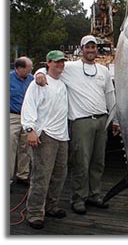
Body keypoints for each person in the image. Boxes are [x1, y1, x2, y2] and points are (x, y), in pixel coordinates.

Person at [35, 35, 119, 215]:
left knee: (98, 162)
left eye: (93, 47)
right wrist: (39, 74)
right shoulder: (70, 68)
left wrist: (115, 119)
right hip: (81, 121)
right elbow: (47, 68)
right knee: (81, 162)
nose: (90, 50)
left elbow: (110, 95)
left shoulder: (103, 70)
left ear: (97, 50)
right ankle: (78, 198)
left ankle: (94, 194)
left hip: (102, 120)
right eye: (87, 47)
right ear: (81, 49)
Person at [21, 50, 69, 229]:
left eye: (62, 62)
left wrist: (39, 71)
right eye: (56, 62)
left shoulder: (63, 84)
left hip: (63, 135)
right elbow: (29, 107)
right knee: (41, 176)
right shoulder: (38, 83)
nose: (60, 65)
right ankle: (34, 212)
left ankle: (51, 206)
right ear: (48, 63)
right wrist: (30, 130)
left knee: (59, 175)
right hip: (45, 135)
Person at [10, 56, 33, 188]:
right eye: (28, 69)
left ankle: (23, 174)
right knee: (10, 147)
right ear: (19, 68)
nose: (30, 72)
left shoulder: (31, 79)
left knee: (26, 146)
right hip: (12, 115)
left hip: (27, 116)